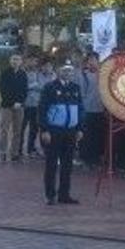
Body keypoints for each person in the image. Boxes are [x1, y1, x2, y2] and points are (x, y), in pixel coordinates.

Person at [38, 61, 83, 205]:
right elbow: (42, 110)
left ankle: (64, 194)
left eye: (70, 70)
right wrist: (44, 130)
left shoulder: (75, 88)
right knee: (51, 164)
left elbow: (80, 110)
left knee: (67, 165)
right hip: (54, 131)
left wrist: (80, 128)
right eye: (65, 70)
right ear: (58, 71)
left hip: (70, 132)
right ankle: (50, 194)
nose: (68, 73)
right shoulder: (50, 87)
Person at [0, 53, 27, 163]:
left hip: (19, 106)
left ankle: (14, 153)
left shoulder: (23, 74)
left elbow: (24, 90)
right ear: (10, 61)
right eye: (14, 59)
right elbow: (3, 89)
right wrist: (11, 102)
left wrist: (20, 102)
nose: (15, 61)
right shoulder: (5, 73)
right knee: (5, 129)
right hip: (7, 106)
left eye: (18, 59)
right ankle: (3, 151)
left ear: (21, 61)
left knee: (18, 131)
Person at [78, 55, 104, 169]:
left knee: (97, 136)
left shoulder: (103, 75)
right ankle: (85, 159)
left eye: (95, 60)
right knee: (86, 136)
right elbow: (82, 93)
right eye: (90, 60)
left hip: (100, 110)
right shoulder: (84, 75)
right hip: (87, 110)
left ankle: (95, 158)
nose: (92, 62)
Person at [23, 57, 52, 158]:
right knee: (27, 128)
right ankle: (24, 149)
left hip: (43, 105)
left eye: (49, 66)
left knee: (38, 128)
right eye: (45, 66)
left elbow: (45, 88)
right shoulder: (36, 75)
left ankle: (38, 149)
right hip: (29, 104)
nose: (48, 68)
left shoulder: (54, 76)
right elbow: (36, 86)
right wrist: (41, 87)